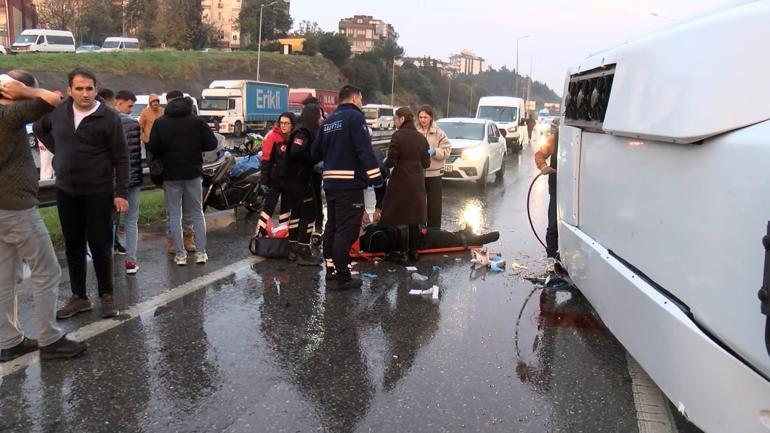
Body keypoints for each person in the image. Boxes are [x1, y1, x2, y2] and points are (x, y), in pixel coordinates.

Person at [0, 70, 86, 361]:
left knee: (5, 276)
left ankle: (9, 341)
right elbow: (54, 99)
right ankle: (50, 339)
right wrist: (26, 91)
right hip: (16, 207)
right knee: (47, 270)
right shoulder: (8, 116)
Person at [33, 68, 129, 320]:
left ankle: (106, 295)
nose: (85, 93)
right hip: (66, 190)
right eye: (79, 88)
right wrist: (61, 152)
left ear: (96, 90)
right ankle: (79, 297)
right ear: (69, 91)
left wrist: (121, 193)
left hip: (99, 191)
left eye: (89, 88)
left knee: (100, 245)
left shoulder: (108, 117)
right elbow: (38, 128)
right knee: (73, 245)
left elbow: (121, 157)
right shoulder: (58, 112)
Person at [311, 85, 383, 290]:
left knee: (332, 227)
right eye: (360, 99)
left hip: (331, 183)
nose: (360, 102)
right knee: (347, 230)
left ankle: (331, 271)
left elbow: (315, 153)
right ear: (354, 98)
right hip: (349, 183)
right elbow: (364, 151)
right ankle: (344, 275)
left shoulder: (328, 122)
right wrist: (377, 179)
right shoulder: (355, 118)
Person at [146, 90, 217, 266]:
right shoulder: (196, 121)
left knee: (174, 215)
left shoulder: (161, 122)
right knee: (197, 213)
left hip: (170, 175)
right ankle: (201, 252)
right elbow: (212, 143)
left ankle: (180, 254)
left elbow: (152, 147)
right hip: (193, 173)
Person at [380, 107, 431, 261]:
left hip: (401, 180)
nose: (394, 121)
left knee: (401, 216)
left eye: (396, 118)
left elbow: (391, 161)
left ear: (402, 119)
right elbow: (427, 163)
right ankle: (414, 252)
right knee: (414, 217)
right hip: (417, 182)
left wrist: (384, 162)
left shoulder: (398, 136)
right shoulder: (421, 138)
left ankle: (401, 253)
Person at [283, 104, 324, 266]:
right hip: (299, 180)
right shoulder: (302, 132)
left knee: (297, 213)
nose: (321, 120)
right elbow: (296, 151)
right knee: (310, 212)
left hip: (292, 179)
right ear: (312, 117)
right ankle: (304, 250)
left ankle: (292, 247)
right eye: (319, 117)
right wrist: (313, 161)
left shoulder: (302, 130)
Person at [113, 90, 142, 274]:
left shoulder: (103, 121)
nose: (131, 110)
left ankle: (108, 257)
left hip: (112, 181)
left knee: (112, 221)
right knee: (131, 220)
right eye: (129, 105)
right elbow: (136, 155)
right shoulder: (133, 123)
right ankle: (130, 261)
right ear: (119, 102)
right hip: (133, 179)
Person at [99, 88, 127, 255]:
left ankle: (110, 244)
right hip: (110, 176)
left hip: (100, 177)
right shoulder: (113, 118)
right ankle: (110, 245)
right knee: (111, 216)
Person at [256, 112, 294, 237]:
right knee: (269, 206)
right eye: (281, 123)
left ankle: (283, 234)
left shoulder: (293, 137)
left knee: (285, 208)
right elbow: (266, 160)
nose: (283, 126)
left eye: (287, 123)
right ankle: (260, 233)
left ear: (292, 124)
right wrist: (264, 181)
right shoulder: (272, 136)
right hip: (275, 179)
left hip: (288, 179)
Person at [415, 105, 451, 228]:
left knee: (434, 205)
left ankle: (435, 230)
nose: (423, 120)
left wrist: (435, 151)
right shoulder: (415, 132)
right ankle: (419, 229)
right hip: (418, 174)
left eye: (425, 117)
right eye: (420, 117)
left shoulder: (439, 133)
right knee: (418, 204)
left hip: (434, 174)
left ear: (431, 118)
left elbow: (447, 150)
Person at [534, 125, 559, 259]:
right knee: (554, 226)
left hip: (578, 190)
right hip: (557, 189)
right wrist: (544, 166)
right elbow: (539, 154)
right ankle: (551, 258)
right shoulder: (555, 138)